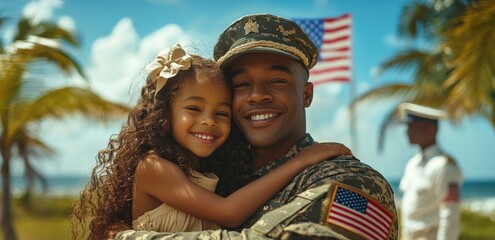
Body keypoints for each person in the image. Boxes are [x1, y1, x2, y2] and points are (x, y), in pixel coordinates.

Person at [116, 13, 399, 240]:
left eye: (277, 81)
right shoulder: (217, 173)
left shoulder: (347, 179)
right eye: (241, 85)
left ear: (307, 94)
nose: (257, 95)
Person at [69, 44, 351, 239]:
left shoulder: (211, 172)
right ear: (165, 113)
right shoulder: (154, 167)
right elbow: (228, 214)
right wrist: (302, 160)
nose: (209, 121)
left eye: (222, 113)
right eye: (193, 109)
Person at [398, 102, 463, 240]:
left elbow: (450, 218)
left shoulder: (444, 166)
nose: (407, 131)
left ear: (429, 129)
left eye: (411, 126)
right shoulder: (413, 163)